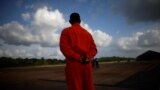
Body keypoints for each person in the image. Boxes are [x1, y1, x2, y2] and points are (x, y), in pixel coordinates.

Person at [60, 12, 97, 90]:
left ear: (70, 22)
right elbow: (94, 49)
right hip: (87, 65)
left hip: (74, 64)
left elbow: (64, 47)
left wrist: (77, 57)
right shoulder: (88, 34)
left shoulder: (66, 31)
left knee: (75, 87)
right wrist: (88, 57)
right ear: (80, 21)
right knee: (89, 87)